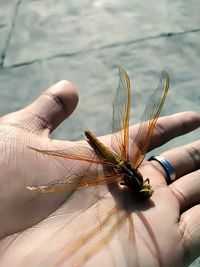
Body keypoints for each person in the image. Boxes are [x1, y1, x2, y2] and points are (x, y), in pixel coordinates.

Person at [0, 80, 199, 267]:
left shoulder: (133, 180)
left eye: (146, 190)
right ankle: (91, 140)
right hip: (109, 157)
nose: (147, 190)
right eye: (147, 189)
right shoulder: (130, 182)